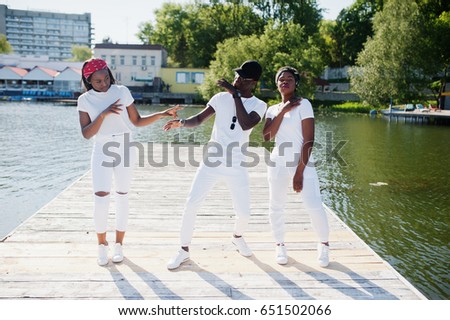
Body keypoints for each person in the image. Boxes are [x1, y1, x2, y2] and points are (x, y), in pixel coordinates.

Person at [163, 60, 267, 270]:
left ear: (252, 82)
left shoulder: (259, 105)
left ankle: (237, 237)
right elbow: (200, 119)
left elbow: (246, 123)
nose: (236, 79)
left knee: (244, 213)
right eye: (236, 75)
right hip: (212, 159)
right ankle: (183, 250)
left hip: (237, 164)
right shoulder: (220, 98)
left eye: (241, 77)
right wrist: (181, 123)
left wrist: (235, 95)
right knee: (192, 203)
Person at [77, 58, 181, 266]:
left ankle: (119, 245)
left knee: (122, 196)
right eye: (98, 81)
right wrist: (104, 115)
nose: (104, 84)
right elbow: (87, 134)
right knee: (101, 198)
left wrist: (162, 114)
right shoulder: (85, 100)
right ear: (88, 81)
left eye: (106, 78)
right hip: (102, 148)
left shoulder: (122, 91)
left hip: (125, 146)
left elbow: (137, 121)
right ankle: (101, 246)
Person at [262, 66, 330, 267]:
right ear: (277, 84)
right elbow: (267, 136)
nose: (285, 81)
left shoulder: (304, 104)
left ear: (296, 83)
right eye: (281, 79)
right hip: (277, 163)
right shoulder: (272, 109)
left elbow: (309, 140)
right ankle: (280, 245)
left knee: (313, 205)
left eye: (289, 78)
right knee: (276, 206)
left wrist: (299, 172)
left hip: (303, 163)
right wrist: (282, 111)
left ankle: (324, 246)